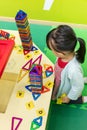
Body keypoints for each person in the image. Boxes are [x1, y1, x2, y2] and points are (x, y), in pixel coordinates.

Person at [46, 25, 86, 104]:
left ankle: (84, 99)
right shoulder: (65, 54)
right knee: (77, 80)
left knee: (77, 97)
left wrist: (69, 97)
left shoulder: (73, 70)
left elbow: (78, 87)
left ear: (60, 53)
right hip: (60, 80)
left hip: (70, 88)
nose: (51, 51)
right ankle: (83, 79)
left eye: (52, 49)